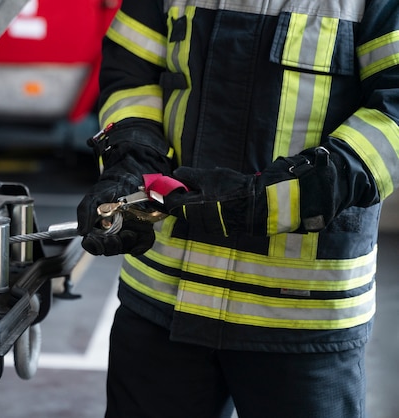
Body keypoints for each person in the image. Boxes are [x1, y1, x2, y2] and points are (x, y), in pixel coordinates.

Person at [76, 1, 399, 417]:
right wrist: (132, 156)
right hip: (161, 299)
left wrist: (278, 198)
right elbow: (133, 71)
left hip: (299, 317)